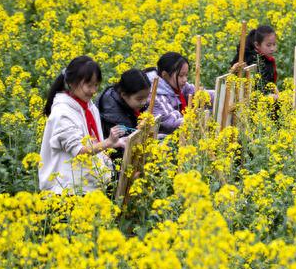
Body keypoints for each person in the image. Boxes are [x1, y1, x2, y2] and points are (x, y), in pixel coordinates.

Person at [39, 56, 125, 194]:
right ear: (72, 83)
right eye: (88, 85)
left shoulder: (89, 106)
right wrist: (108, 142)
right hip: (66, 192)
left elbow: (92, 141)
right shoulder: (62, 113)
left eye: (96, 85)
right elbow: (79, 151)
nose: (93, 90)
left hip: (89, 186)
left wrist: (115, 143)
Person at [144, 52, 213, 136]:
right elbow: (171, 123)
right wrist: (196, 117)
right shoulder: (156, 96)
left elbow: (197, 93)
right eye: (181, 75)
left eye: (186, 75)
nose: (185, 79)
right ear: (165, 75)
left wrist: (219, 95)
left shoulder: (175, 84)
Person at [97, 68, 151, 159]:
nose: (144, 102)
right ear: (124, 95)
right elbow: (121, 149)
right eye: (139, 99)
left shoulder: (131, 103)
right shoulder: (113, 114)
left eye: (147, 97)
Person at [229, 25, 278, 94]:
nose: (272, 49)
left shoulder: (268, 60)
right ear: (257, 45)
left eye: (274, 44)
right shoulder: (250, 60)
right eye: (268, 45)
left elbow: (269, 84)